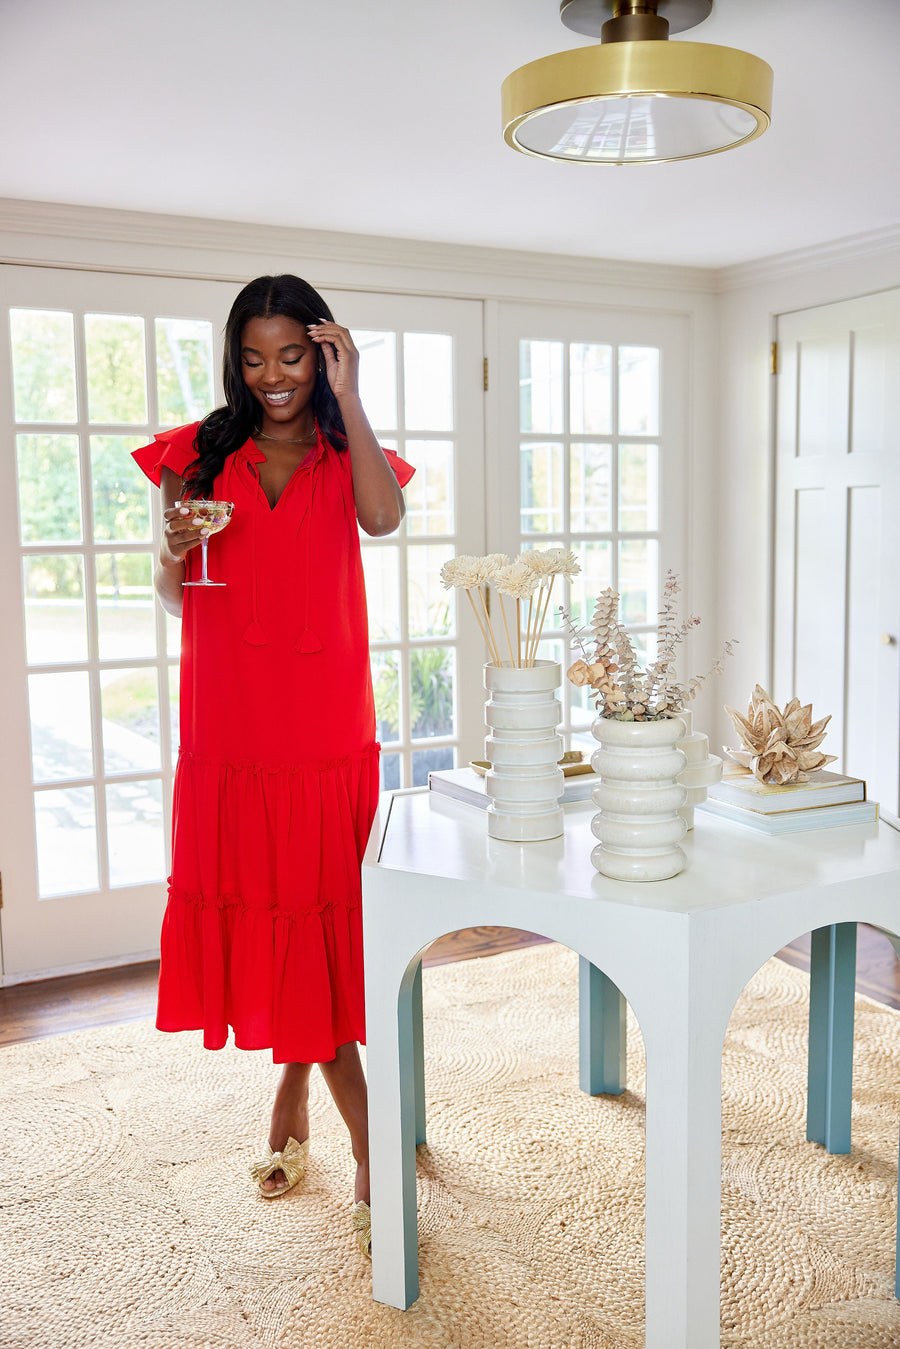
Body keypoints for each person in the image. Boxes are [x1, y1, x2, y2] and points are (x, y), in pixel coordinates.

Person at [133, 274, 413, 1257]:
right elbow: (174, 598)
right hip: (231, 726)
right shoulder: (194, 455)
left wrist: (357, 393)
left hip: (323, 730)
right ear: (234, 360)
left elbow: (383, 522)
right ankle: (354, 1123)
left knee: (317, 921)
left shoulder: (346, 451)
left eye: (292, 354)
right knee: (277, 914)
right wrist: (171, 547)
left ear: (322, 352)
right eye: (254, 358)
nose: (273, 376)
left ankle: (326, 1102)